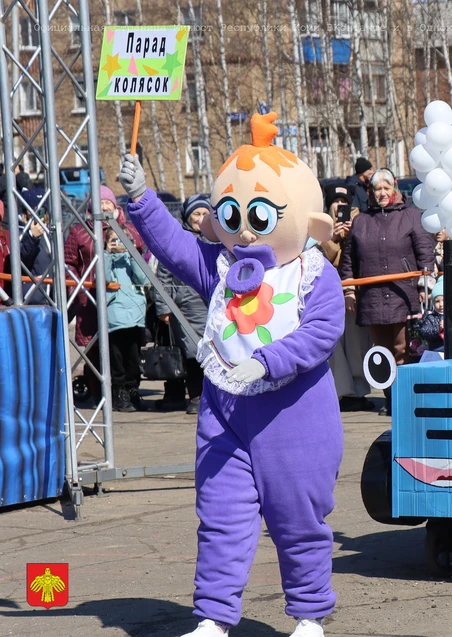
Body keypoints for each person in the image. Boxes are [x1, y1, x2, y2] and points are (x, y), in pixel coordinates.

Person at [121, 112, 344, 637]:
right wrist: (141, 198)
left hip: (296, 416)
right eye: (234, 213)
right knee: (220, 517)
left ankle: (311, 613)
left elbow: (319, 335)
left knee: (298, 521)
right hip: (226, 414)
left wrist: (265, 361)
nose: (243, 228)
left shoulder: (315, 273)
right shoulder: (219, 265)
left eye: (260, 215)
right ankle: (213, 618)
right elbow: (174, 248)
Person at [339, 168, 435, 417]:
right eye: (377, 189)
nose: (382, 193)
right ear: (371, 191)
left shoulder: (412, 216)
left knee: (403, 349)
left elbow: (425, 252)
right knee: (380, 351)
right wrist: (349, 291)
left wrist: (425, 287)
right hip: (372, 297)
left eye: (386, 188)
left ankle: (404, 399)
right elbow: (349, 259)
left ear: (395, 187)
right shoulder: (361, 220)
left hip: (404, 296)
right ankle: (389, 398)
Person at [64, 185, 145, 406]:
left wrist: (121, 240)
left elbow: (141, 249)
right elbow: (69, 261)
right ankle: (99, 392)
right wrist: (76, 288)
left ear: (114, 205)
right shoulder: (80, 231)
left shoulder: (126, 228)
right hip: (90, 297)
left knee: (125, 348)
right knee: (94, 348)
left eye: (108, 202)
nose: (105, 206)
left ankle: (127, 389)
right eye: (100, 203)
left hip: (123, 298)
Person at [155, 194, 212, 415]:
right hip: (185, 306)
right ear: (187, 217)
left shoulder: (217, 239)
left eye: (205, 214)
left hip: (211, 304)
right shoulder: (177, 241)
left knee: (214, 352)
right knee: (193, 352)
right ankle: (196, 395)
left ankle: (210, 395)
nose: (200, 218)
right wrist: (163, 307)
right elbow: (164, 277)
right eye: (196, 214)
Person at [320, 182, 374, 413]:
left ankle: (359, 390)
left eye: (344, 202)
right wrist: (332, 238)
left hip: (354, 290)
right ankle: (342, 391)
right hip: (327, 290)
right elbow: (319, 255)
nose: (339, 206)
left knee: (357, 343)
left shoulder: (360, 220)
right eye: (335, 202)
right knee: (335, 343)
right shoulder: (320, 225)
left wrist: (353, 235)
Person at [102, 227, 150, 412]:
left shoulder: (133, 258)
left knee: (134, 358)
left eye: (123, 239)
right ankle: (119, 393)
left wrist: (132, 254)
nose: (119, 243)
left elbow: (144, 280)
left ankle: (133, 390)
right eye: (114, 239)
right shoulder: (105, 259)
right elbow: (104, 279)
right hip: (115, 315)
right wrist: (108, 253)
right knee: (117, 358)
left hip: (136, 315)